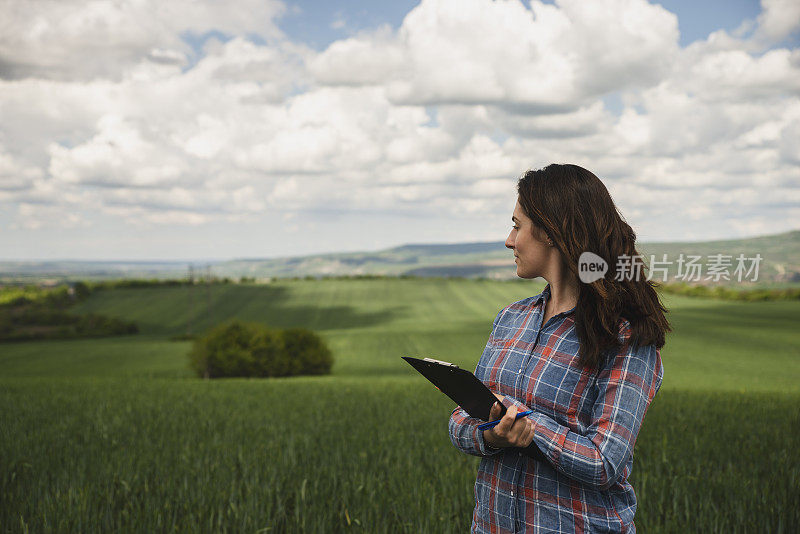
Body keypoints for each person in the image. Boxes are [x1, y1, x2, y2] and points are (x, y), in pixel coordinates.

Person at [449, 164, 669, 533]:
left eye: (517, 226)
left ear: (550, 231)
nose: (509, 240)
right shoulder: (510, 319)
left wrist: (527, 426)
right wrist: (493, 434)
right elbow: (460, 420)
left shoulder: (625, 336)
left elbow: (605, 462)